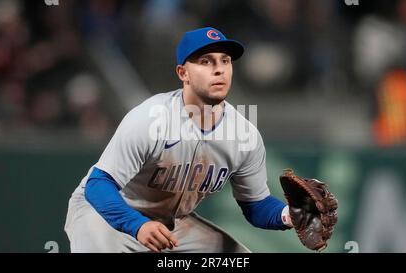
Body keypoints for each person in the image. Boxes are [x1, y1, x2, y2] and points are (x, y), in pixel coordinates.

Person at [64, 27, 294, 253]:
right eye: (206, 61)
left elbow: (256, 205)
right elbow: (98, 185)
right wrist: (137, 225)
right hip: (106, 213)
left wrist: (290, 215)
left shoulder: (244, 135)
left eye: (225, 61)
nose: (219, 70)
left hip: (171, 223)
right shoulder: (150, 119)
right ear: (183, 73)